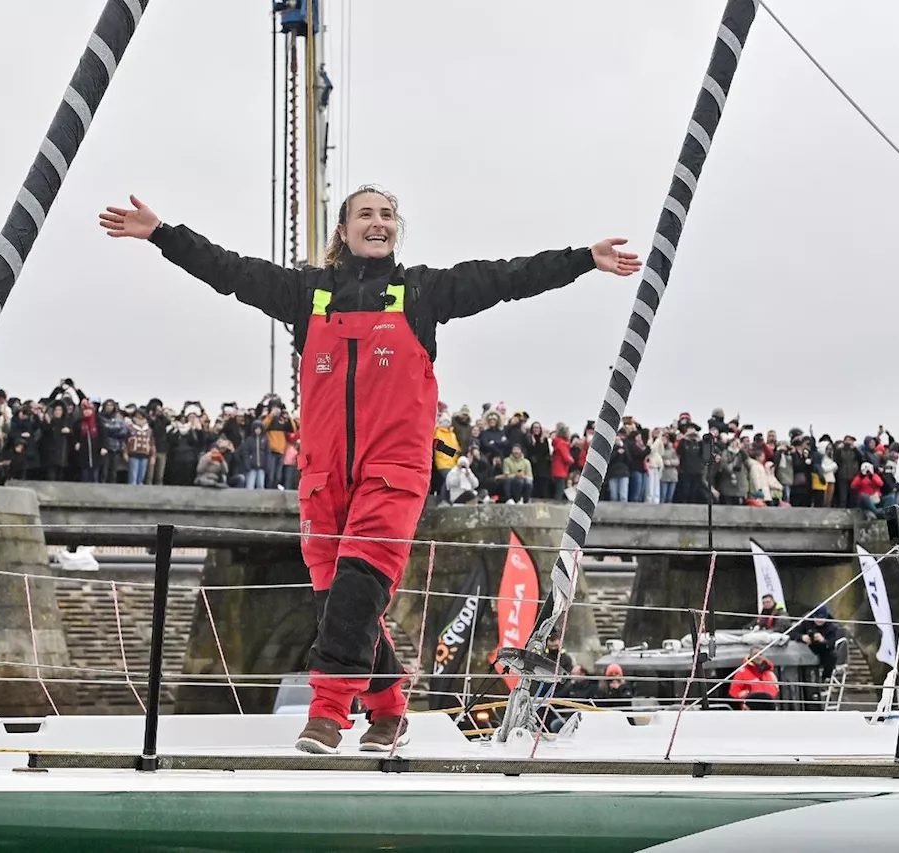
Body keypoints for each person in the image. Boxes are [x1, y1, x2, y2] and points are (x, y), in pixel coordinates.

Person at [100, 186, 640, 753]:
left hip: (394, 472)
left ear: (395, 229)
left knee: (358, 588)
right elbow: (229, 271)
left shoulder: (423, 292)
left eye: (387, 215)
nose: (377, 223)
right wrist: (162, 234)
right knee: (338, 600)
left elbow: (504, 278)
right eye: (366, 214)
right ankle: (389, 711)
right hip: (322, 478)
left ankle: (326, 714)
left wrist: (583, 259)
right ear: (344, 229)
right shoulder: (306, 293)